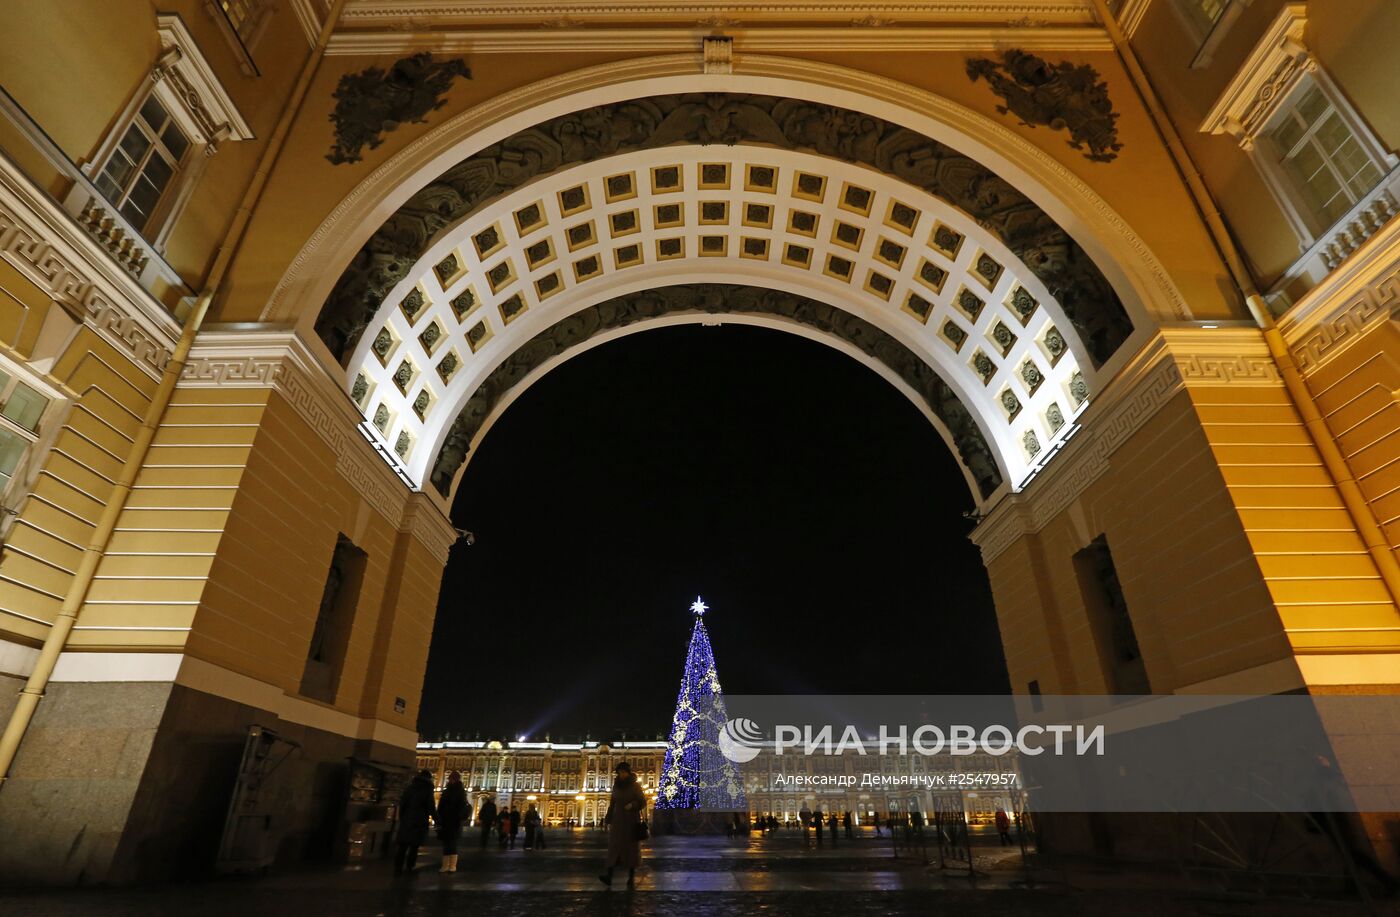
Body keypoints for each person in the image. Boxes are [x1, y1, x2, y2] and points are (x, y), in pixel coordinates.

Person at [598, 761, 647, 888]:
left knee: (631, 850)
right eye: (619, 772)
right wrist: (608, 819)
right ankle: (609, 876)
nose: (621, 774)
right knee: (613, 849)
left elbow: (642, 802)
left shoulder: (635, 786)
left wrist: (632, 805)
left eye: (623, 772)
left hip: (631, 821)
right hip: (618, 821)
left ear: (628, 773)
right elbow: (612, 803)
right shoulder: (616, 786)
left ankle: (631, 877)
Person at [394, 770, 436, 876]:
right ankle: (409, 867)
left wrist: (403, 818)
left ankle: (398, 868)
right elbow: (430, 807)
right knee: (414, 846)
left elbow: (402, 804)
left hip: (407, 820)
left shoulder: (410, 788)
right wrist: (438, 820)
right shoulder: (427, 790)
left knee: (402, 846)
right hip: (419, 821)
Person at [436, 771, 468, 873]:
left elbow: (463, 807)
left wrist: (459, 817)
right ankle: (445, 865)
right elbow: (440, 807)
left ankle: (452, 865)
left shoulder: (461, 792)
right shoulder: (446, 791)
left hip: (454, 821)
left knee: (452, 843)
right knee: (446, 843)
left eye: (452, 779)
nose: (450, 780)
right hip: (445, 820)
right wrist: (438, 818)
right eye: (450, 778)